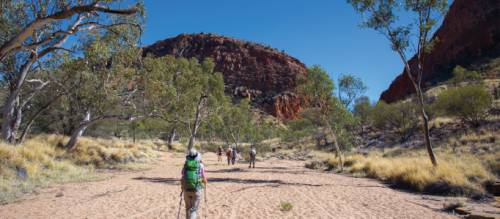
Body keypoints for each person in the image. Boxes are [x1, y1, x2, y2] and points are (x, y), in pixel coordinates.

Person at [181, 148, 207, 219]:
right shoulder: (200, 165)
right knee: (194, 209)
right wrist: (204, 181)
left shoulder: (186, 165)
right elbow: (204, 178)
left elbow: (182, 175)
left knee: (187, 208)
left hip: (186, 189)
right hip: (197, 189)